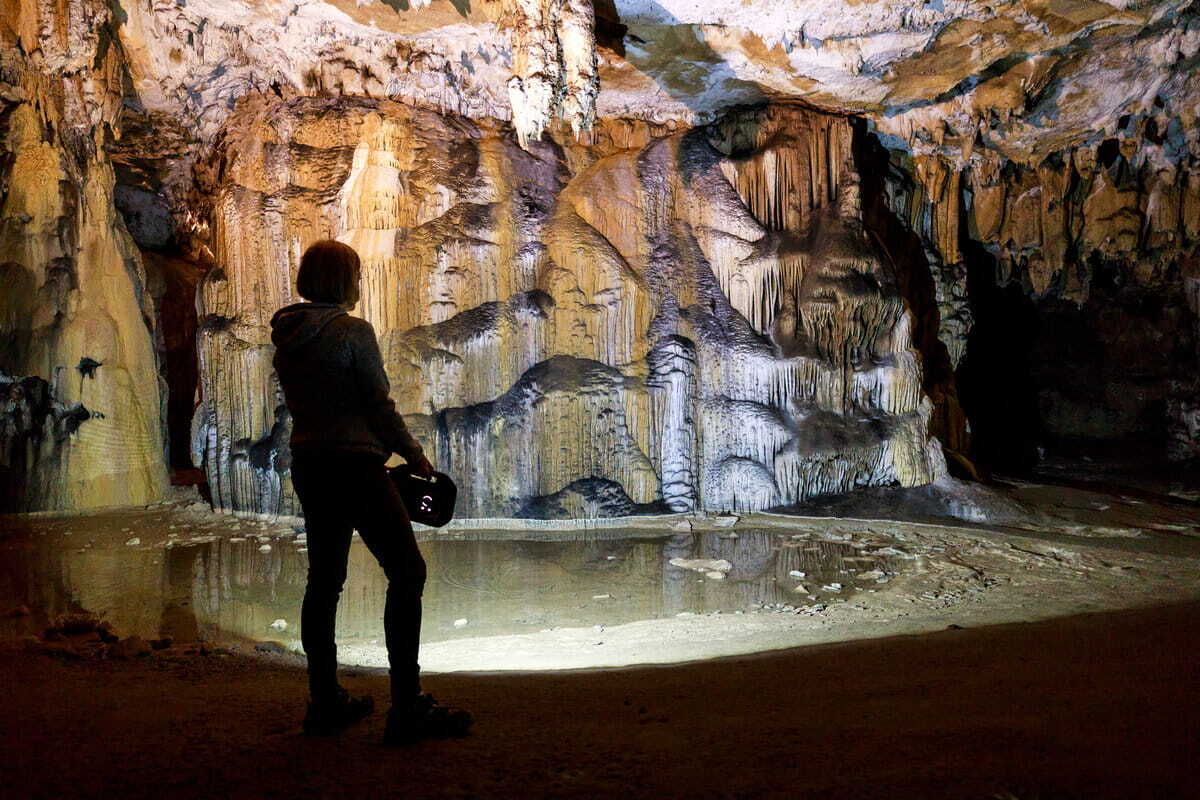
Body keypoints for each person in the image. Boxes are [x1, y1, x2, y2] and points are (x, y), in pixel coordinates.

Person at [270, 239, 472, 745]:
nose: (360, 284)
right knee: (407, 571)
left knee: (325, 582)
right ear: (343, 280)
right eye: (355, 275)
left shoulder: (287, 336)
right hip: (356, 466)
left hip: (310, 465)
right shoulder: (352, 332)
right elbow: (378, 406)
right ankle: (406, 708)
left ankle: (324, 702)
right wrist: (413, 453)